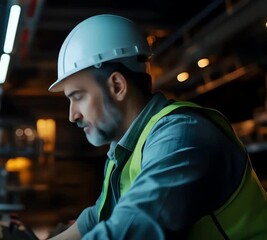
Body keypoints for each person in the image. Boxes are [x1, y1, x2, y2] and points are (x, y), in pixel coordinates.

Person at [47, 14, 267, 240]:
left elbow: (135, 228)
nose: (73, 115)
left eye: (79, 96)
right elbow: (97, 217)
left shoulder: (182, 135)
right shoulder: (124, 151)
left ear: (116, 85)